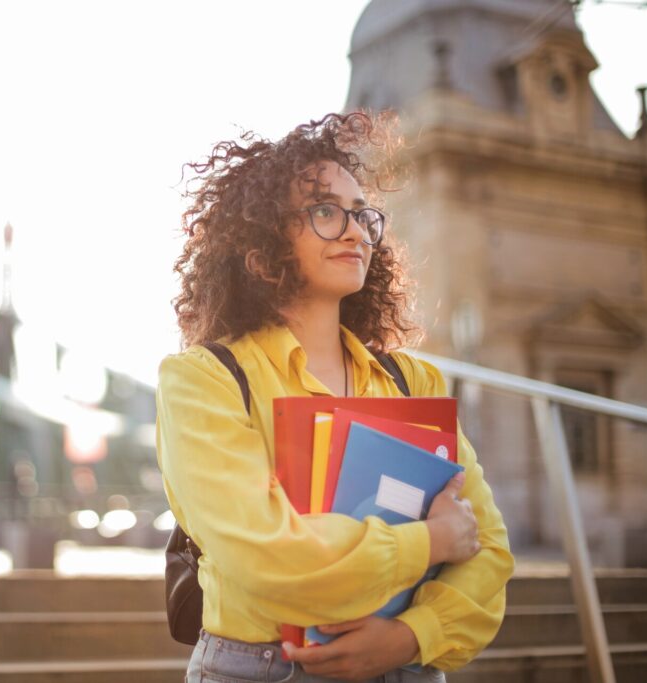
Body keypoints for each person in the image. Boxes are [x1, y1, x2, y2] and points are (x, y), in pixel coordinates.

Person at [155, 112, 514, 683]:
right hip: (261, 670)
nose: (353, 231)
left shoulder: (411, 382)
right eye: (324, 211)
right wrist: (432, 541)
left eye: (361, 214)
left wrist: (409, 638)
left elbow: (490, 552)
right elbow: (269, 557)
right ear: (260, 245)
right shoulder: (205, 380)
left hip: (410, 668)